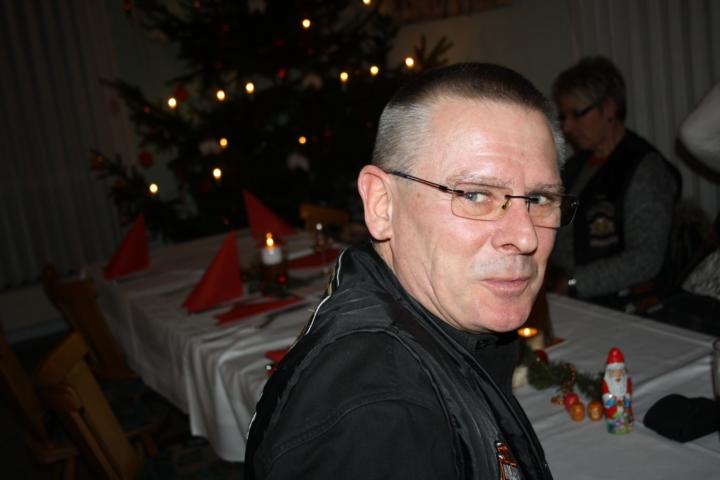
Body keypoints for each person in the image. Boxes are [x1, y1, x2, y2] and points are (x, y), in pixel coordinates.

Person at [245, 63, 576, 479]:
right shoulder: (380, 415)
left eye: (540, 199)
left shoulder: (437, 328)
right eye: (476, 195)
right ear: (382, 205)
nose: (526, 237)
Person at [548, 56, 681, 307]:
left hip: (620, 303)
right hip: (568, 296)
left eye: (577, 114)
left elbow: (645, 259)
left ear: (609, 108)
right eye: (564, 116)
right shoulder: (576, 166)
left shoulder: (645, 170)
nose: (567, 127)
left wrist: (572, 282)